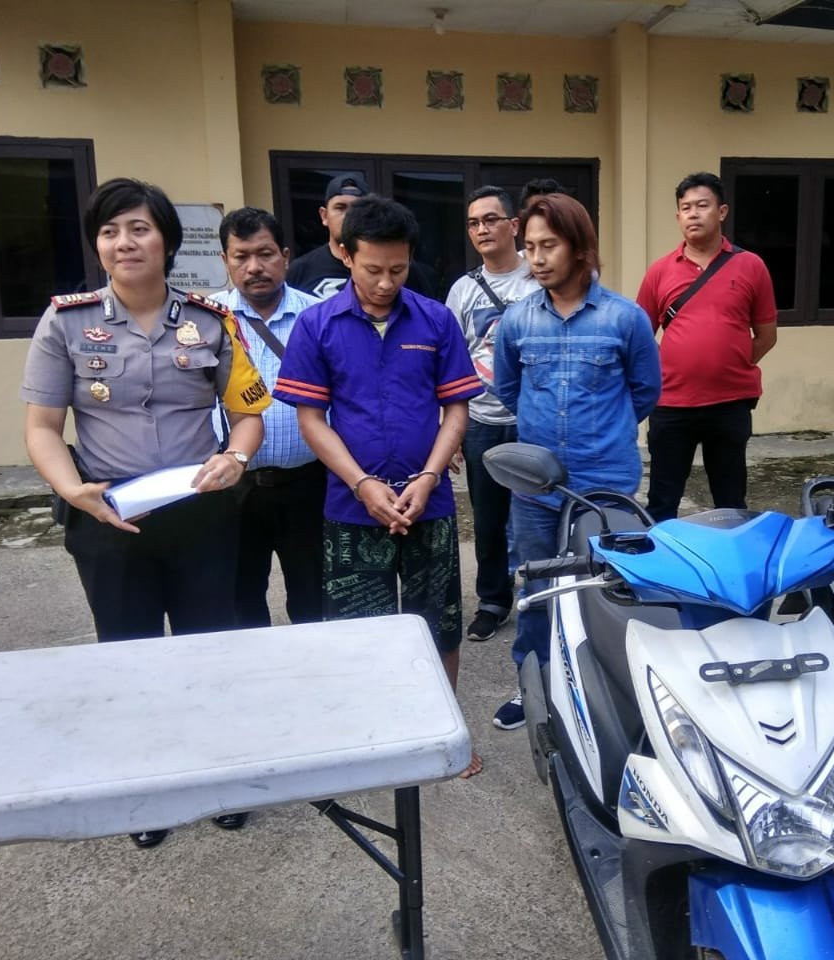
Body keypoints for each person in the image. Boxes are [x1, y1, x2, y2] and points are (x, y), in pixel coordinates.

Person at [21, 177, 271, 847]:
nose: (124, 242)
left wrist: (236, 457)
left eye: (138, 229)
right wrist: (72, 489)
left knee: (206, 647)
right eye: (109, 232)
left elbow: (248, 414)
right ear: (97, 245)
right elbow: (42, 427)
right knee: (127, 654)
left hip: (201, 514)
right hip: (108, 517)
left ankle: (217, 776)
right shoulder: (65, 322)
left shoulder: (211, 321)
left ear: (166, 240)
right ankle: (146, 789)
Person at [273, 195, 485, 776]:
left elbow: (457, 409)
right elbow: (312, 420)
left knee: (438, 622)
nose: (386, 282)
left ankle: (443, 735)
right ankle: (370, 737)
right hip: (352, 507)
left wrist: (430, 476)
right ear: (345, 254)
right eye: (373, 269)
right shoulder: (318, 325)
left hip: (428, 504)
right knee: (358, 632)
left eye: (398, 268)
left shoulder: (435, 320)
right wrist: (362, 483)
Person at [492, 193, 661, 731]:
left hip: (604, 482)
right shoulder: (518, 321)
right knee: (537, 587)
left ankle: (607, 687)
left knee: (607, 586)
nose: (536, 258)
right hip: (534, 486)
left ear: (580, 247)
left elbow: (645, 391)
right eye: (530, 247)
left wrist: (602, 433)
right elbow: (508, 388)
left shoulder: (625, 319)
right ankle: (535, 684)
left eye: (549, 245)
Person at [636, 171, 777, 522]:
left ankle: (732, 556)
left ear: (722, 211)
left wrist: (730, 364)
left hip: (729, 405)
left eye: (702, 205)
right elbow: (640, 337)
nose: (693, 214)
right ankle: (663, 557)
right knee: (662, 502)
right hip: (671, 404)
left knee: (731, 502)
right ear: (678, 216)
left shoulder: (751, 266)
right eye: (686, 208)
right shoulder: (660, 271)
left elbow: (766, 335)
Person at [214, 206, 325, 627]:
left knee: (314, 601)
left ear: (285, 256)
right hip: (232, 488)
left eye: (265, 254)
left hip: (308, 485)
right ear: (225, 261)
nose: (254, 267)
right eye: (241, 256)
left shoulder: (319, 316)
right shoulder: (205, 319)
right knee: (239, 603)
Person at [445, 186, 538, 643]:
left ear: (513, 225)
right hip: (481, 421)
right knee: (487, 520)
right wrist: (449, 430)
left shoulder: (537, 278)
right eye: (473, 223)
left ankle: (542, 594)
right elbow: (449, 362)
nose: (482, 229)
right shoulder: (462, 290)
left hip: (534, 419)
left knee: (539, 514)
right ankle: (493, 601)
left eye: (491, 219)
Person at [286, 175, 436, 299]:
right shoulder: (300, 270)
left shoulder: (410, 272)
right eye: (340, 207)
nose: (348, 216)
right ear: (324, 215)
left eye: (356, 209)